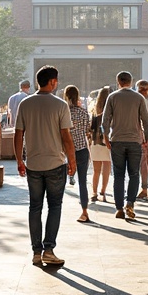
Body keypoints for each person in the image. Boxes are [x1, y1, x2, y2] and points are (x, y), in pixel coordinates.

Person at [15, 66, 76, 267]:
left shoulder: (25, 103)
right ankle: (49, 249)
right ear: (52, 82)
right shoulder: (60, 105)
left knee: (35, 207)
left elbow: (18, 135)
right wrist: (72, 161)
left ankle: (36, 252)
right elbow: (66, 137)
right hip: (56, 163)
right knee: (55, 206)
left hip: (33, 163)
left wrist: (19, 161)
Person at [101, 71, 148, 221]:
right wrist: (146, 139)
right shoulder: (139, 98)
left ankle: (118, 208)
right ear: (131, 81)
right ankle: (130, 203)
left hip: (117, 140)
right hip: (135, 141)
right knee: (134, 174)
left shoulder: (112, 97)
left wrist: (106, 138)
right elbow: (146, 122)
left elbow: (105, 121)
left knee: (118, 175)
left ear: (118, 81)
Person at [64, 85, 92, 223]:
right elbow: (88, 130)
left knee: (58, 182)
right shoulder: (83, 112)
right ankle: (85, 211)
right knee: (83, 182)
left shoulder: (63, 112)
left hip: (65, 152)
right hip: (82, 150)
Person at [89, 86, 113, 203]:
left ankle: (94, 192)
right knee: (106, 170)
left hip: (95, 143)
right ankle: (103, 192)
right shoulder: (111, 112)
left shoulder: (94, 112)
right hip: (107, 143)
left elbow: (90, 129)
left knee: (96, 170)